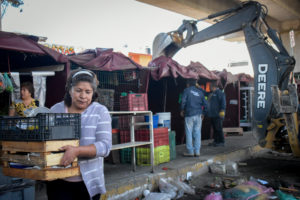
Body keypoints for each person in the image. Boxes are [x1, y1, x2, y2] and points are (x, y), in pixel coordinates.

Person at [46, 69, 112, 200]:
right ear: (70, 90)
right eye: (78, 90)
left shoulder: (100, 111)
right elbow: (46, 141)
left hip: (87, 184)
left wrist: (76, 151)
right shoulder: (55, 110)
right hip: (57, 180)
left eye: (88, 92)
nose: (83, 96)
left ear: (93, 93)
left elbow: (105, 146)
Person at [180, 79, 207, 157]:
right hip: (199, 115)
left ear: (188, 84)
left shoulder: (186, 90)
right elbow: (206, 104)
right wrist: (204, 113)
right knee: (197, 132)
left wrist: (182, 109)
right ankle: (197, 151)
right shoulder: (200, 92)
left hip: (189, 114)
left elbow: (183, 101)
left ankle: (191, 152)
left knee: (189, 132)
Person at [207, 81, 226, 147]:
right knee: (215, 128)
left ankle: (221, 141)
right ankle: (216, 141)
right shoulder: (212, 93)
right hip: (213, 114)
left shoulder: (220, 93)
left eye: (210, 87)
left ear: (213, 87)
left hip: (218, 114)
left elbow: (223, 102)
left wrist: (222, 110)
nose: (209, 88)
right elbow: (205, 93)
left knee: (218, 128)